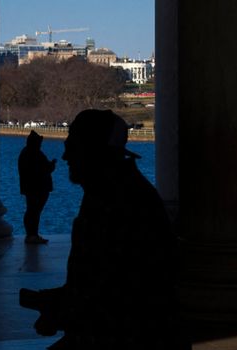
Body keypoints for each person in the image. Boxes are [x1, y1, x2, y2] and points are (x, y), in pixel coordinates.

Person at [22, 109, 190, 349]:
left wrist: (60, 309)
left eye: (74, 145)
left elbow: (117, 292)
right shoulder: (116, 192)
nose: (66, 154)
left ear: (95, 151)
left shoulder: (116, 201)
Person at [18, 130, 56, 244]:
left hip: (32, 188)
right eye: (39, 143)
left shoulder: (27, 153)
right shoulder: (34, 153)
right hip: (37, 188)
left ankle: (32, 234)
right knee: (34, 211)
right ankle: (32, 234)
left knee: (32, 211)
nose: (40, 145)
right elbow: (44, 169)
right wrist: (52, 164)